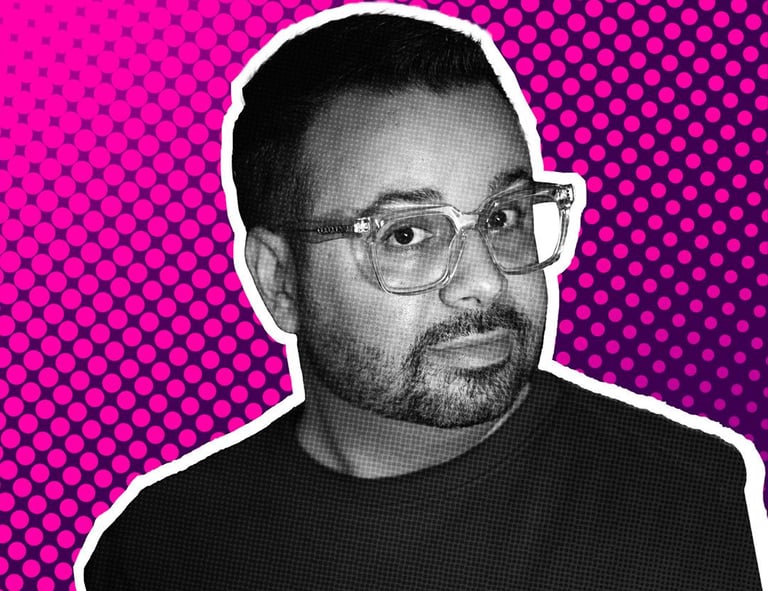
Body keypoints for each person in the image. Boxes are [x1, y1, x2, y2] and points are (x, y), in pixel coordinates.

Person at [80, 6, 763, 590]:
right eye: (405, 233)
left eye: (503, 216)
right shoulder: (164, 547)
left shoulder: (678, 502)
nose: (486, 282)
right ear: (281, 280)